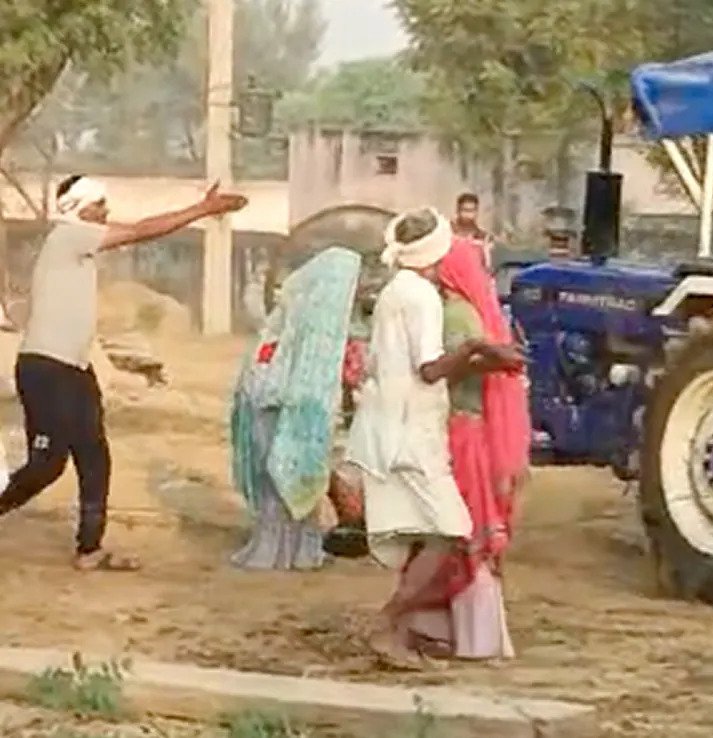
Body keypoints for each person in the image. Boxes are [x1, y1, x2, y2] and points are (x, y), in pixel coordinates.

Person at [0, 175, 246, 572]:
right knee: (46, 466)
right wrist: (202, 209)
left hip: (75, 369)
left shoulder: (76, 247)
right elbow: (140, 232)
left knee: (95, 456)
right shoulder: (68, 236)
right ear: (80, 206)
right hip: (46, 369)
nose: (107, 211)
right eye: (101, 204)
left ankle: (90, 550)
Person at [343, 207, 521, 669]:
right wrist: (480, 349)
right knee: (449, 531)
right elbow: (430, 368)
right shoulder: (421, 295)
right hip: (411, 433)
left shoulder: (393, 291)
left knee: (421, 532)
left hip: (388, 427)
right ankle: (388, 623)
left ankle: (402, 633)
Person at [229, 247, 363, 571]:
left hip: (273, 397)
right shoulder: (303, 317)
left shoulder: (297, 313)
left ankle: (288, 547)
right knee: (280, 474)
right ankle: (284, 549)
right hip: (275, 398)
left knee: (284, 473)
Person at [435, 236, 531, 660]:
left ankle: (460, 631)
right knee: (476, 527)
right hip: (471, 428)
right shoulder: (474, 314)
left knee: (458, 531)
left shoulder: (453, 312)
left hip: (457, 427)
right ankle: (479, 635)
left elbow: (448, 370)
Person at [451, 193, 494, 268]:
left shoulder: (483, 236)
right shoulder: (448, 232)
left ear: (476, 212)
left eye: (471, 211)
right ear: (458, 211)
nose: (468, 215)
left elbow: (487, 265)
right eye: (465, 210)